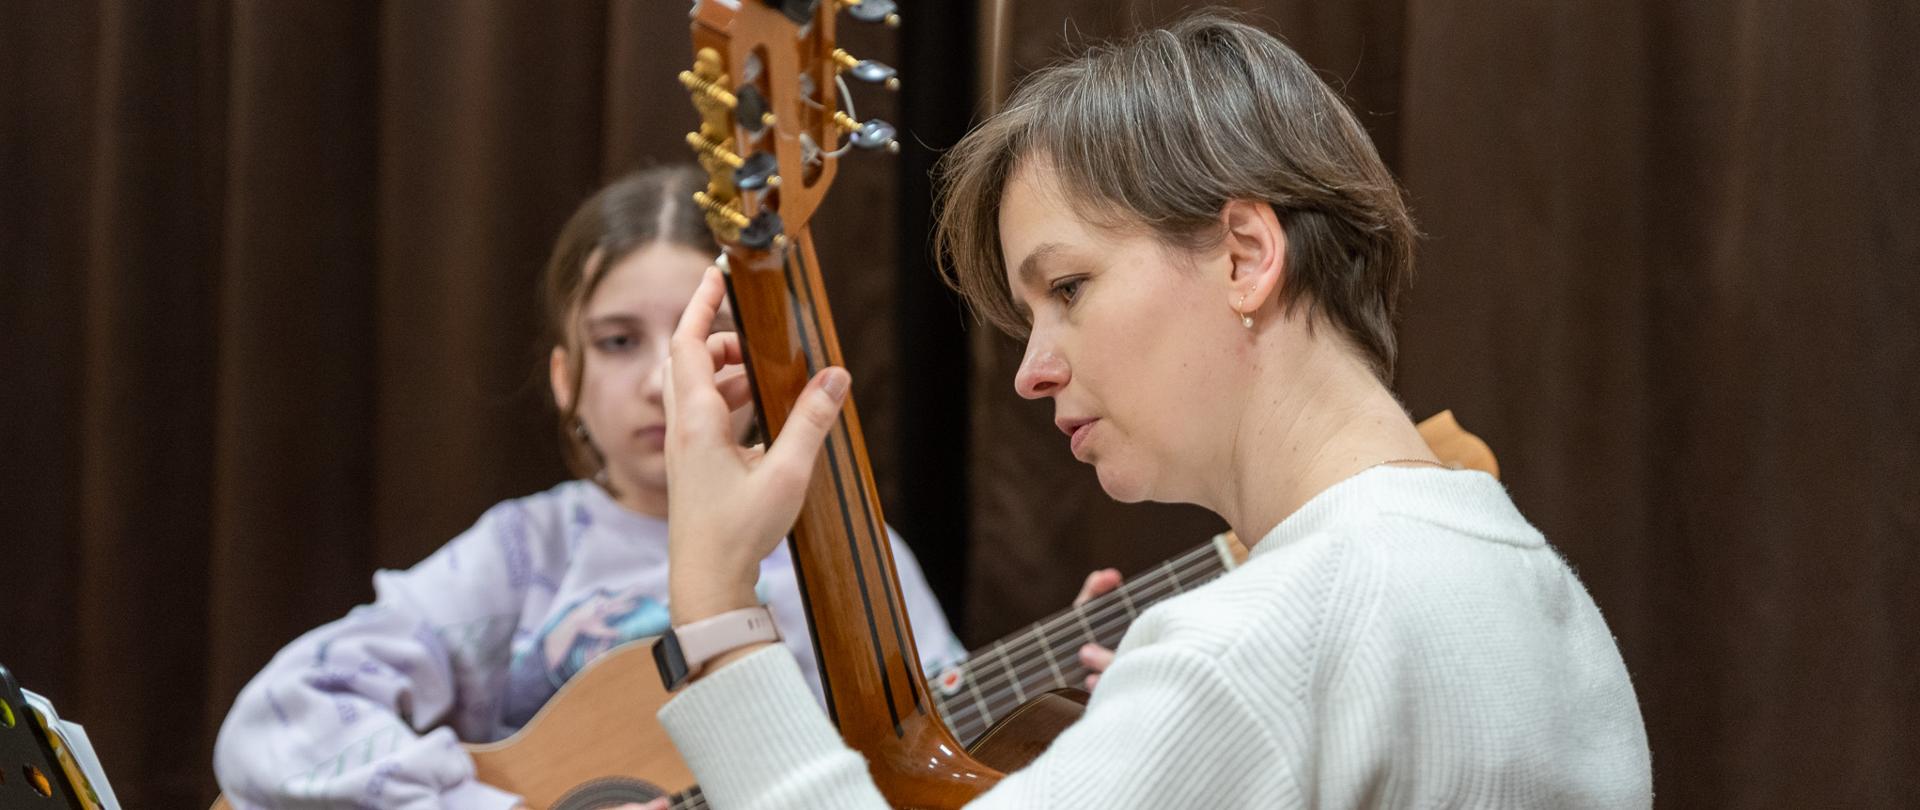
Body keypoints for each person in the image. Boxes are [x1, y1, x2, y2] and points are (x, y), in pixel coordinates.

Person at [646, 13, 1652, 809]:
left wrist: (717, 606)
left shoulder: (1256, 648)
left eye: (1069, 288)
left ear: (1246, 257)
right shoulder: (1545, 596)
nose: (1031, 373)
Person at [211, 166, 966, 809]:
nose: (664, 381)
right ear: (565, 380)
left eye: (703, 337)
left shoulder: (850, 556)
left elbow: (953, 755)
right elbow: (282, 718)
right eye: (618, 341)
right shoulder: (523, 553)